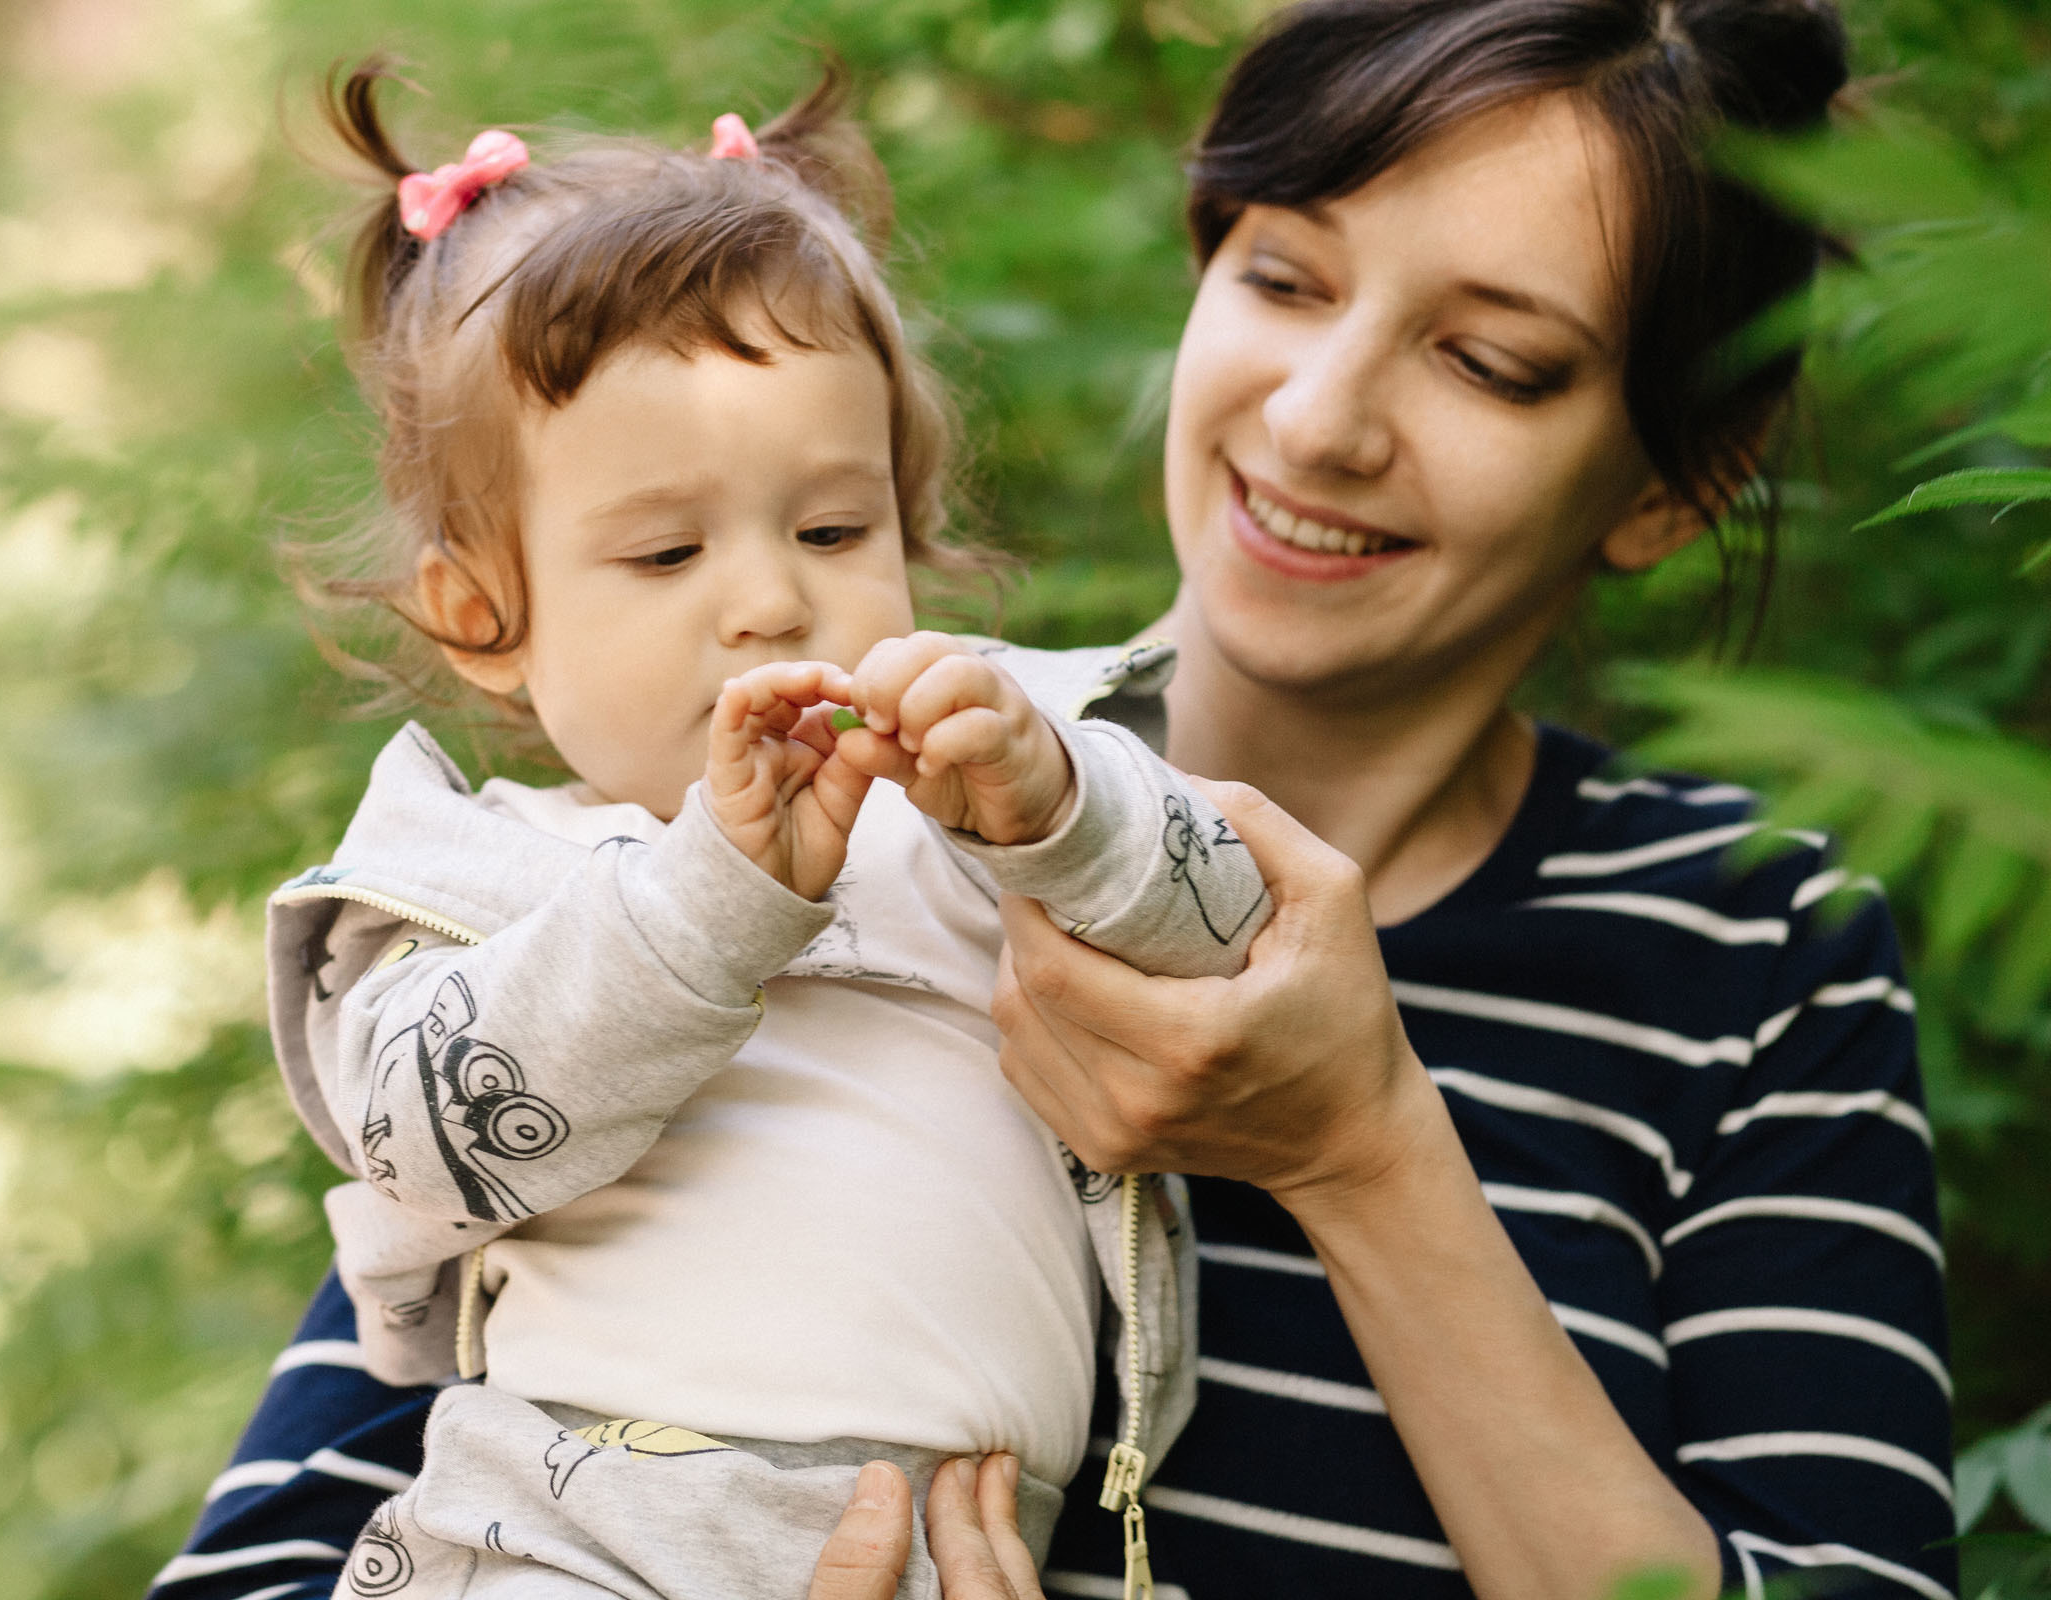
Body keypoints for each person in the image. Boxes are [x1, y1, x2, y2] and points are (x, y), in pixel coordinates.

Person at [150, 2, 1954, 1597]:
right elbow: (299, 1522)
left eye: (1490, 360)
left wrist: (1363, 1148)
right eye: (1285, 278)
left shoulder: (1754, 958)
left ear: (1670, 484)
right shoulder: (749, 840)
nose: (1322, 416)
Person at [253, 67, 1270, 1600]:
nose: (770, 599)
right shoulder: (488, 875)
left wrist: (1062, 811)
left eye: (833, 530)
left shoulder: (994, 789)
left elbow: (1235, 932)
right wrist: (709, 901)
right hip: (576, 1536)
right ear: (481, 612)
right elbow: (424, 1136)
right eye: (666, 550)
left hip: (973, 1555)